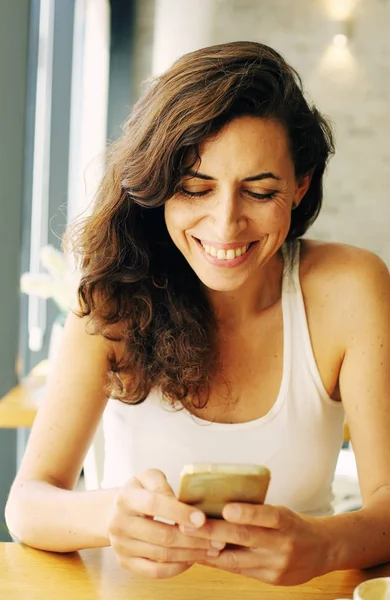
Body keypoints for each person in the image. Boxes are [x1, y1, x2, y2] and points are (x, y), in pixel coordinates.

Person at [5, 41, 390, 585]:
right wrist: (109, 515)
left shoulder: (351, 288)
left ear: (300, 188)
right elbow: (27, 504)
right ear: (159, 188)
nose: (225, 224)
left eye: (258, 191)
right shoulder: (113, 294)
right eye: (194, 188)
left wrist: (326, 545)